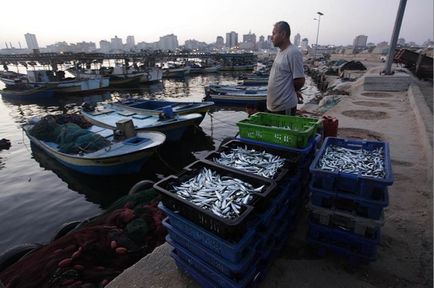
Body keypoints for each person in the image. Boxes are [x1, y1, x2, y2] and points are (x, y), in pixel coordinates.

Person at [267, 21, 305, 116]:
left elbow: (300, 80)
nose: (272, 37)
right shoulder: (280, 52)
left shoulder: (293, 52)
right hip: (274, 107)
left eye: (274, 33)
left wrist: (291, 91)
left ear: (283, 34)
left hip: (284, 108)